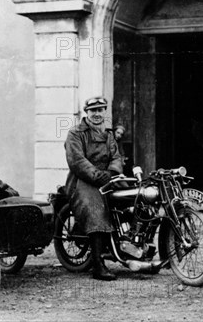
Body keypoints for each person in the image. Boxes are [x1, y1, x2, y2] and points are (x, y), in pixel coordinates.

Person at [64, 96, 123, 281]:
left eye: (100, 110)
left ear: (105, 111)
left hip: (107, 177)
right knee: (95, 208)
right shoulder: (75, 133)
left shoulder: (109, 134)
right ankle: (98, 265)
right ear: (86, 112)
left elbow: (116, 157)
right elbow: (77, 160)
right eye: (93, 110)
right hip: (82, 181)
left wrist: (113, 171)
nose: (97, 114)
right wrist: (98, 175)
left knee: (134, 198)